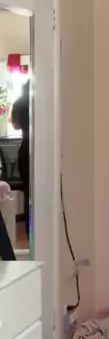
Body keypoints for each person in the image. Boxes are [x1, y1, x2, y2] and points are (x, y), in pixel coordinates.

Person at [11, 79, 30, 237]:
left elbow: (16, 125)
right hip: (38, 147)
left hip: (25, 149)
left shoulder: (19, 103)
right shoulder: (40, 101)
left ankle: (30, 231)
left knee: (28, 191)